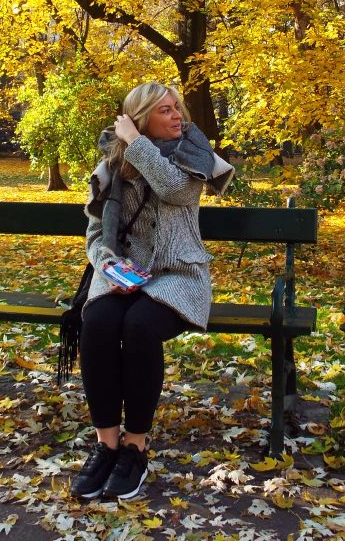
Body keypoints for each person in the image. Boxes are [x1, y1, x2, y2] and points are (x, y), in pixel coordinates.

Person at [69, 82, 234, 500]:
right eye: (166, 110)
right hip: (125, 271)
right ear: (142, 118)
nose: (178, 115)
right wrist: (108, 265)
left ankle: (135, 448)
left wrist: (136, 143)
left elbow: (174, 190)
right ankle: (107, 446)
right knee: (100, 322)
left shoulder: (193, 156)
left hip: (180, 275)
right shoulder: (112, 165)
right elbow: (95, 231)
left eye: (176, 107)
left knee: (140, 326)